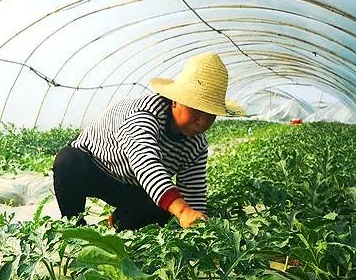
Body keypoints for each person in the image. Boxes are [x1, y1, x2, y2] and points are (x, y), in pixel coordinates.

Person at [53, 52, 244, 230]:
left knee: (162, 213)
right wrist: (183, 211)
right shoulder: (145, 114)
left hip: (130, 183)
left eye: (210, 114)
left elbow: (192, 195)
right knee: (67, 161)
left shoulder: (196, 145)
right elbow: (145, 162)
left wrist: (195, 220)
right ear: (175, 100)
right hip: (93, 166)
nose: (202, 121)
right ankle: (75, 228)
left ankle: (119, 221)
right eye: (195, 110)